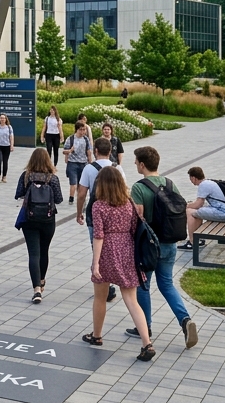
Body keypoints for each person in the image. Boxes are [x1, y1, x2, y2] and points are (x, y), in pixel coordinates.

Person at [83, 165, 156, 362]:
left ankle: (97, 336)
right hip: (127, 250)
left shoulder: (99, 206)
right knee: (131, 299)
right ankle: (146, 343)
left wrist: (95, 263)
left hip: (107, 251)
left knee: (100, 297)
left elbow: (98, 236)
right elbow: (135, 228)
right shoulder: (128, 203)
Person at [128, 147, 197, 349]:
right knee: (166, 284)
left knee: (143, 285)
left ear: (142, 164)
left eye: (136, 161)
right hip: (169, 243)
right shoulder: (170, 184)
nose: (134, 164)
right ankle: (185, 320)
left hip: (149, 245)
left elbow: (137, 218)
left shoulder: (139, 188)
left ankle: (145, 327)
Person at [15, 149, 63, 303]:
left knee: (33, 253)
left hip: (30, 219)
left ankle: (36, 290)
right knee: (44, 251)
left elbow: (19, 193)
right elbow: (59, 199)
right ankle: (42, 280)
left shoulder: (26, 176)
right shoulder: (52, 178)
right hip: (48, 220)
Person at [75, 135, 117, 304]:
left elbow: (82, 194)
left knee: (97, 250)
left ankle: (104, 286)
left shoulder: (89, 169)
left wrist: (79, 213)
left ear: (96, 151)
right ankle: (110, 284)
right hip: (114, 216)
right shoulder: (117, 168)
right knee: (111, 249)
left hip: (95, 214)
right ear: (110, 151)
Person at [180, 166, 225, 250]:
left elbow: (198, 204)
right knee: (196, 211)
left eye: (190, 179)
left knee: (189, 211)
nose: (191, 181)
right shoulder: (209, 182)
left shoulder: (203, 185)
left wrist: (186, 206)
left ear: (193, 178)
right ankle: (198, 239)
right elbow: (200, 204)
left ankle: (193, 242)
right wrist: (192, 204)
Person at [63, 123, 94, 202]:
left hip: (83, 163)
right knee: (73, 182)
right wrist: (70, 151)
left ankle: (80, 197)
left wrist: (90, 162)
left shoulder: (86, 139)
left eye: (84, 130)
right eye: (81, 129)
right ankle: (71, 198)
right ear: (76, 129)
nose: (82, 131)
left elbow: (88, 151)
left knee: (81, 183)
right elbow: (64, 151)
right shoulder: (70, 139)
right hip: (72, 163)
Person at [0, 114, 14, 183]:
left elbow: (11, 137)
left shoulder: (9, 127)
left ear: (6, 119)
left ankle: (4, 176)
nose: (2, 119)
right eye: (1, 118)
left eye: (3, 118)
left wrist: (12, 145)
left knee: (5, 161)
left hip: (6, 146)